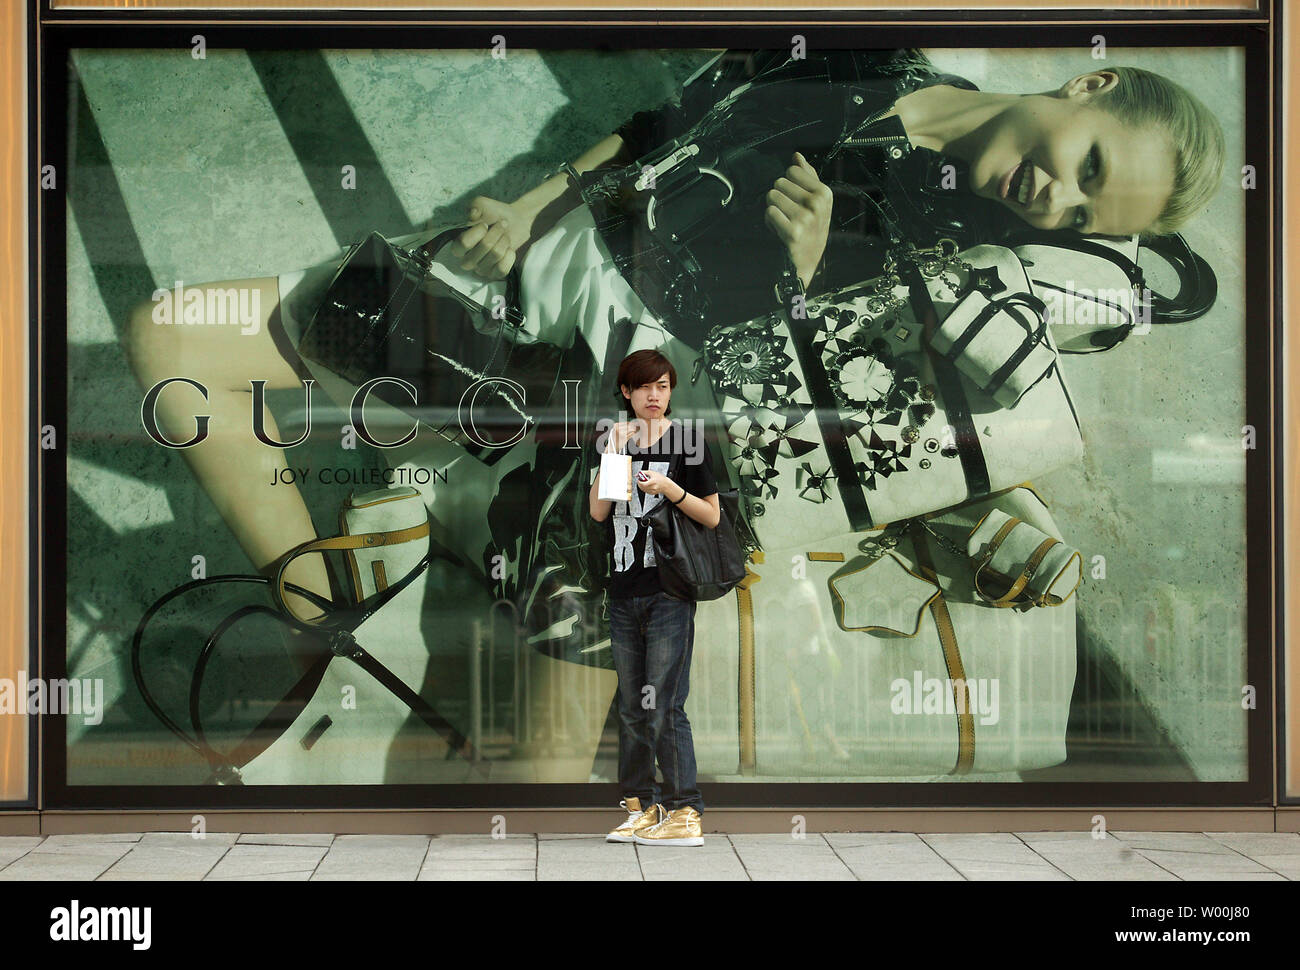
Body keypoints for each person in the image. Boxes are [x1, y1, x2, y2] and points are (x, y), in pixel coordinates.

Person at [124, 47, 1225, 782]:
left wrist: (802, 280)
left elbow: (809, 419)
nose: (1056, 198)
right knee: (173, 337)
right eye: (1086, 164)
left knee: (540, 767)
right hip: (527, 279)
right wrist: (536, 196)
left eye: (1088, 208)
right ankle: (330, 589)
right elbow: (667, 116)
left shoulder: (957, 258)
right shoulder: (868, 51)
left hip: (637, 406)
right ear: (1092, 83)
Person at [590, 349, 719, 847]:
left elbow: (711, 517)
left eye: (663, 386)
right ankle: (640, 808)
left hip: (669, 590)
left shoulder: (687, 442)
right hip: (624, 590)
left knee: (665, 704)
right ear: (626, 392)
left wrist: (670, 488)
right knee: (630, 705)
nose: (654, 396)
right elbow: (601, 512)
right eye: (645, 387)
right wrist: (615, 454)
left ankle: (687, 812)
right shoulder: (613, 439)